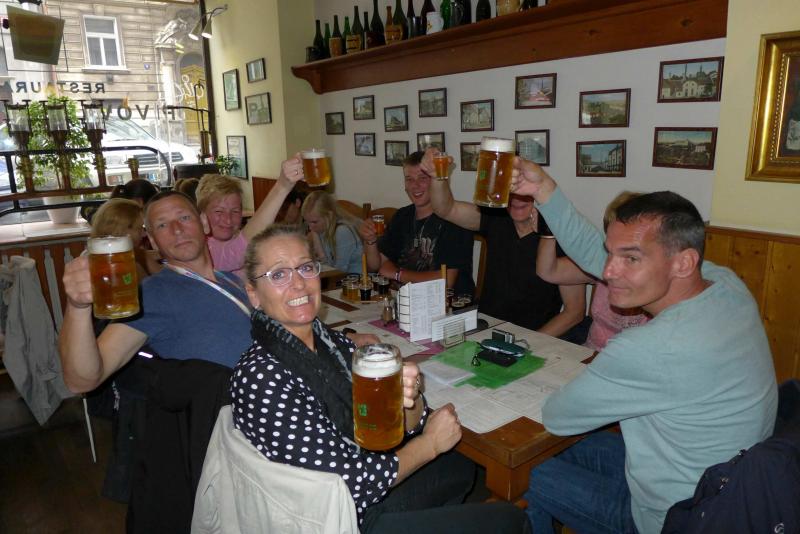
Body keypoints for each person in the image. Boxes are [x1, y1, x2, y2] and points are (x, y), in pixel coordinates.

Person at [510, 159, 778, 534]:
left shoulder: (653, 347)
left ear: (683, 262)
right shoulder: (726, 285)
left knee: (521, 472)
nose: (608, 272)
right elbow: (594, 253)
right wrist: (545, 191)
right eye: (611, 253)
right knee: (561, 450)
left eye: (631, 258)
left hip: (675, 518)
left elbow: (557, 416)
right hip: (725, 486)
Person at [232, 224, 530, 533]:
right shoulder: (260, 376)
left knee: (459, 465)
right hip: (339, 518)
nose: (298, 284)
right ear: (253, 293)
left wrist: (409, 396)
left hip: (363, 475)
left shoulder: (328, 341)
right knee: (511, 519)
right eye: (279, 274)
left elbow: (410, 421)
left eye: (306, 268)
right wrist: (429, 444)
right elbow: (349, 484)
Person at [59, 191, 254, 394]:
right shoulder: (154, 294)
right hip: (234, 407)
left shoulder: (230, 280)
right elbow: (82, 381)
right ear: (152, 241)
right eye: (162, 225)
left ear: (204, 223)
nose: (177, 230)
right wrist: (77, 307)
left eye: (184, 217)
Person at [425, 149, 586, 339]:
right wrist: (437, 176)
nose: (517, 198)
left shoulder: (557, 233)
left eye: (523, 189)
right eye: (510, 189)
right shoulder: (497, 217)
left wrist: (529, 342)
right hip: (485, 328)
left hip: (534, 337)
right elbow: (446, 208)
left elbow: (574, 312)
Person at [536, 191, 649, 350]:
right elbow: (548, 272)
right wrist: (549, 231)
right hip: (588, 354)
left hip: (627, 361)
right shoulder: (603, 262)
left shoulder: (653, 277)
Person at [360, 151, 475, 296]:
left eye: (423, 178)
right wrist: (370, 241)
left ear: (436, 181)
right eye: (409, 179)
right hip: (403, 298)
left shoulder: (456, 220)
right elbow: (376, 266)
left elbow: (445, 282)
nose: (415, 185)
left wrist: (398, 274)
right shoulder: (402, 216)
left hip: (447, 303)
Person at [195, 156, 304, 276]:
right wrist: (282, 186)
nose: (228, 220)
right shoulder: (202, 248)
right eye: (219, 212)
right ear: (202, 215)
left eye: (235, 211)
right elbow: (240, 250)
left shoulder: (240, 234)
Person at [90, 198, 161, 278]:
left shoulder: (93, 254)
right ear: (122, 230)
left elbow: (147, 255)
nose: (144, 234)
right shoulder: (130, 267)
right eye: (140, 228)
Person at [301, 190, 364, 274]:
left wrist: (320, 252)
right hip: (341, 277)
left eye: (314, 222)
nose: (310, 227)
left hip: (357, 278)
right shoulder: (321, 229)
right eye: (307, 222)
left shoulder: (342, 231)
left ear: (329, 216)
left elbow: (338, 272)